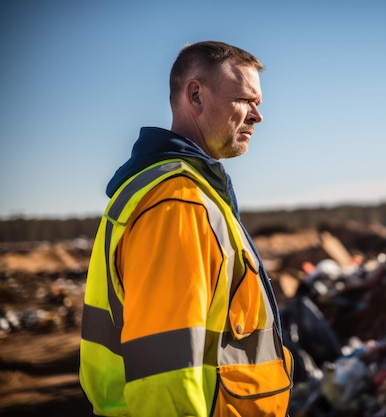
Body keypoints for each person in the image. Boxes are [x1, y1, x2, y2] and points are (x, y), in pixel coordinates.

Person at [79, 41, 293, 417]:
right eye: (245, 99)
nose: (257, 116)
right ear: (195, 94)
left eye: (258, 103)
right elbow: (166, 375)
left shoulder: (187, 191)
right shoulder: (177, 201)